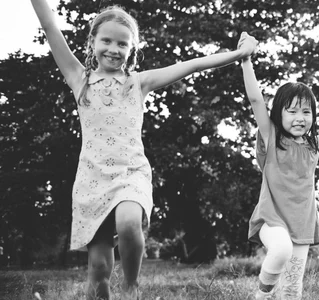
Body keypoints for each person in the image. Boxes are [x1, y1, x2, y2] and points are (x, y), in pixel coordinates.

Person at [30, 1, 257, 299]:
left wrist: (238, 54)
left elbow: (192, 65)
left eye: (122, 43)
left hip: (130, 173)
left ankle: (132, 285)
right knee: (98, 274)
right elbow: (49, 27)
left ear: (132, 48)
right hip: (92, 179)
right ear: (92, 42)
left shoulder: (139, 83)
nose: (113, 48)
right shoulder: (79, 79)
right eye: (106, 41)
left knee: (128, 222)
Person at [240, 32, 319, 300]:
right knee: (280, 251)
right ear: (279, 113)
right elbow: (255, 100)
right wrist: (245, 61)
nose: (300, 118)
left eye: (306, 112)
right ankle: (262, 294)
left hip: (302, 223)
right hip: (271, 218)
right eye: (292, 111)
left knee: (292, 287)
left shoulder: (312, 146)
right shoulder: (271, 136)